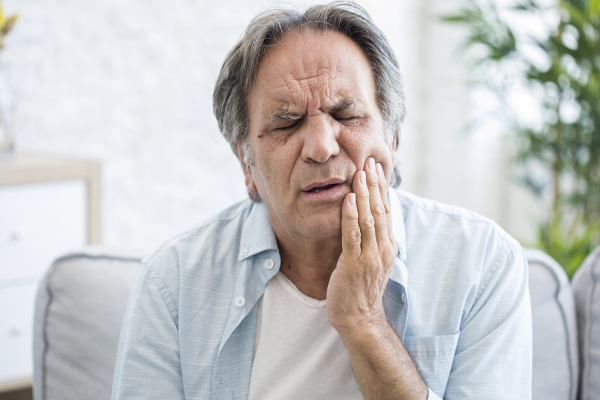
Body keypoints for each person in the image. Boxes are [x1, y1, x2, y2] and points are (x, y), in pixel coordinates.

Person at [111, 2, 532, 399]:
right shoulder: (174, 283)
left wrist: (364, 320)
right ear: (246, 163)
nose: (320, 147)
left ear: (392, 138)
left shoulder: (483, 265)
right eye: (287, 123)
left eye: (347, 116)